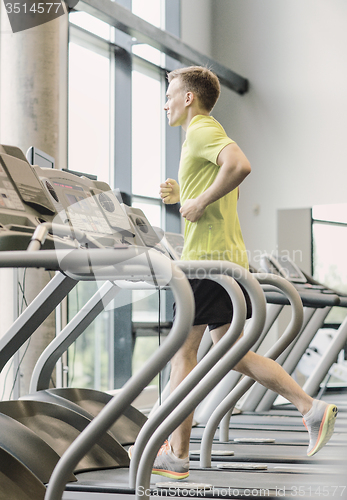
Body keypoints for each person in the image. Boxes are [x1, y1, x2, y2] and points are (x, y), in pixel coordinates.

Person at [134, 66, 338, 479]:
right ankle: (311, 408)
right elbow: (212, 203)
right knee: (234, 354)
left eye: (170, 93)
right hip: (225, 259)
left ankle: (178, 454)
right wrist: (185, 198)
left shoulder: (203, 130)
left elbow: (240, 165)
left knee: (183, 355)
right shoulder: (202, 135)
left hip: (207, 263)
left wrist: (200, 199)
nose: (165, 102)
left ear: (189, 98)